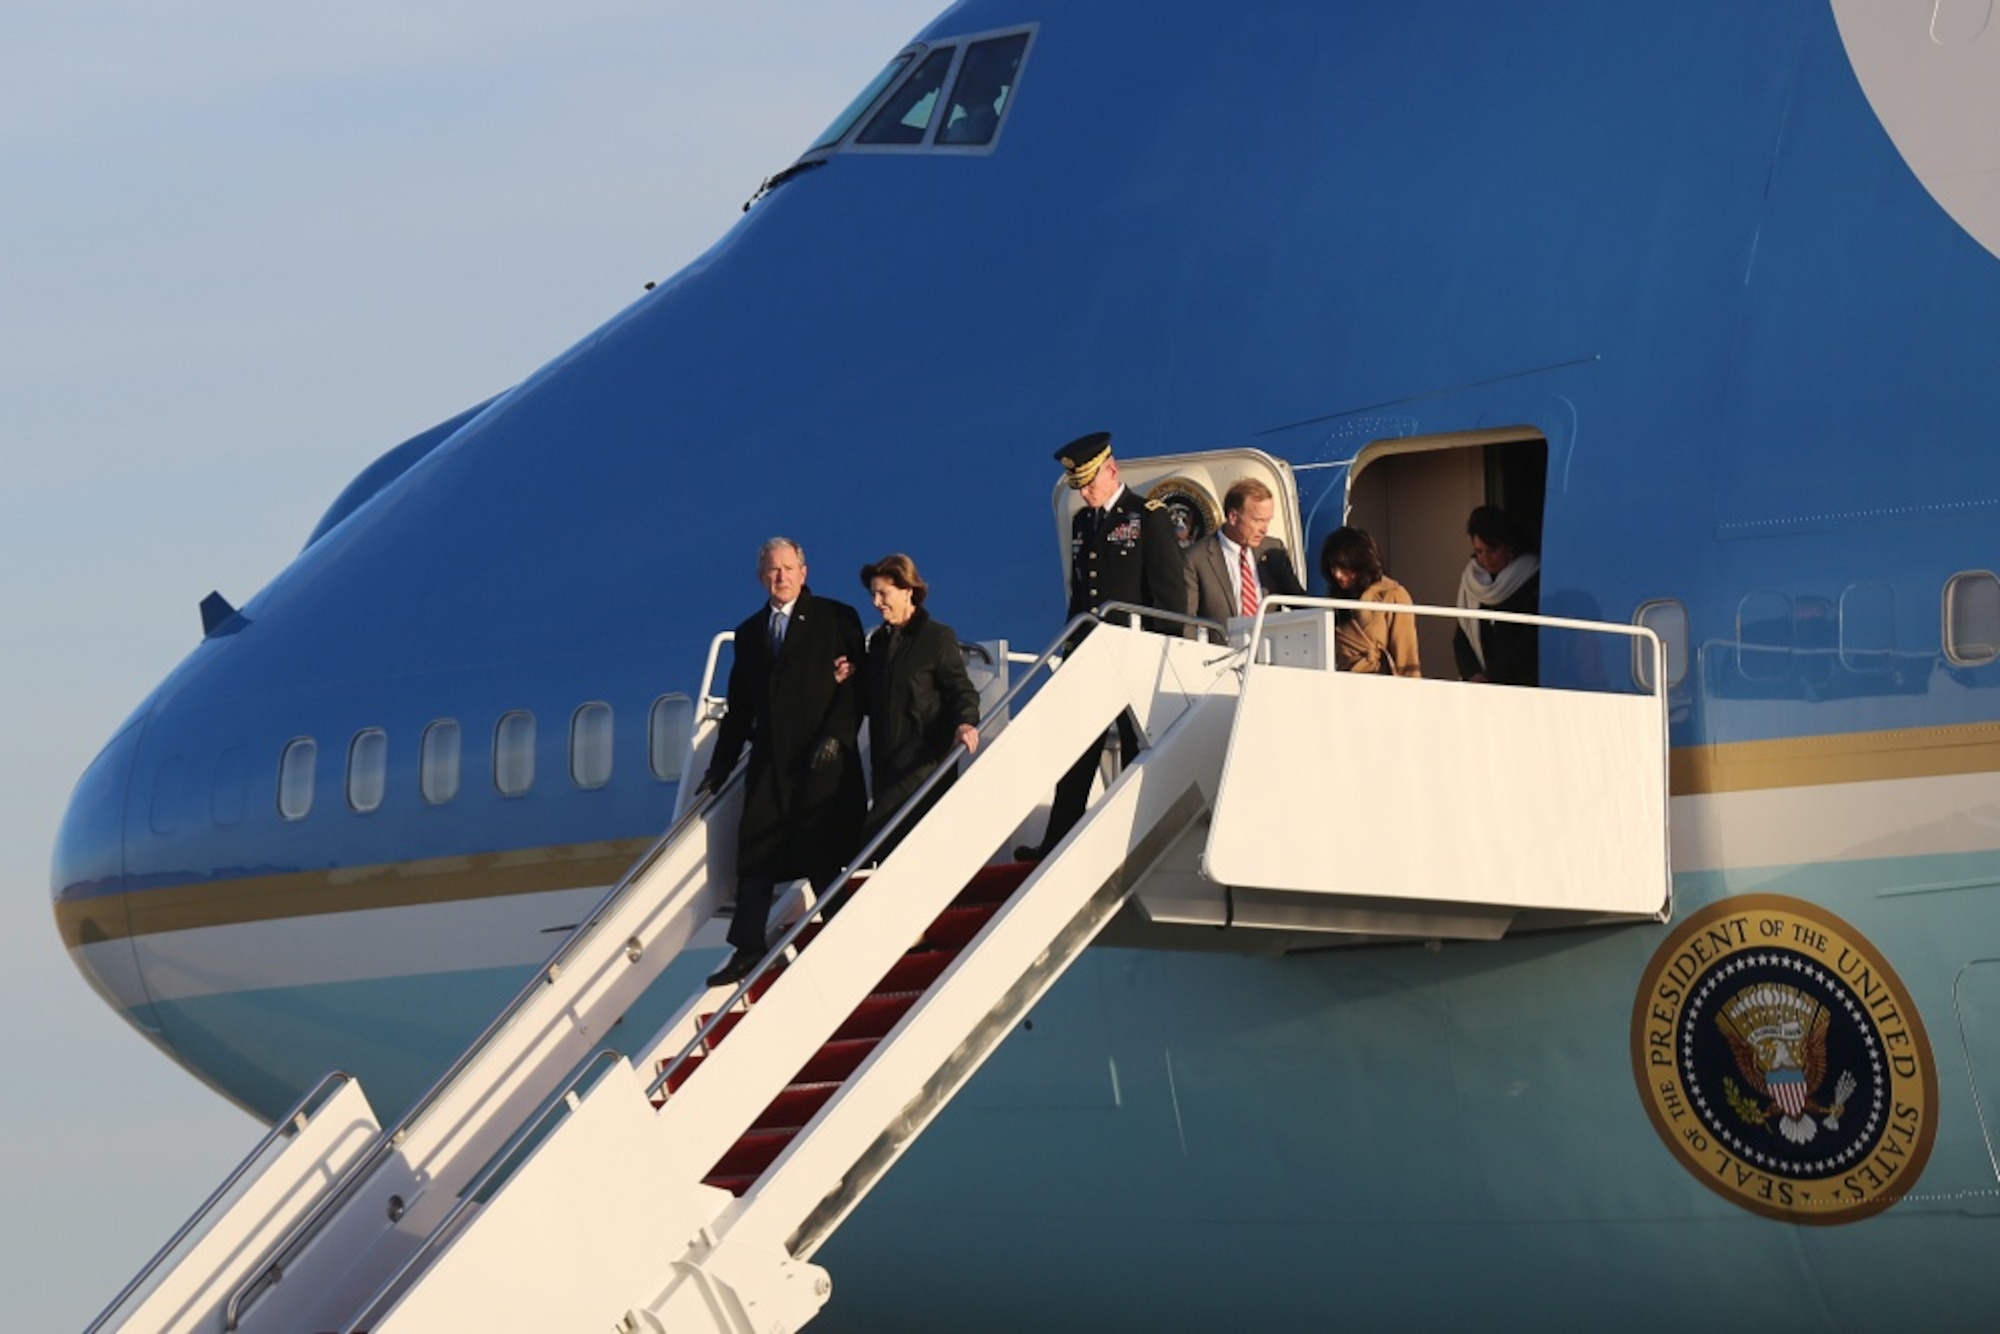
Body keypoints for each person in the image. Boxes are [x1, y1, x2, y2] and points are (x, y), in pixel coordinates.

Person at [697, 537, 867, 987]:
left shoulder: (835, 618)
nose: (781, 576)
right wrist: (719, 766)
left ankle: (845, 929)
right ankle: (748, 947)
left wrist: (836, 738)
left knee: (822, 852)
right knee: (754, 851)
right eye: (773, 570)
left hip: (820, 759)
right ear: (761, 577)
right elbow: (739, 710)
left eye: (789, 568)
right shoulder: (750, 633)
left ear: (804, 572)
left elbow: (857, 688)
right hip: (772, 759)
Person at [1015, 430, 1183, 862]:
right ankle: (1056, 838)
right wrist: (1072, 648)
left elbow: (1169, 596)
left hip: (1135, 654)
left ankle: (1127, 834)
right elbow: (1080, 594)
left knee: (1133, 746)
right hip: (1093, 653)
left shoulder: (1148, 515)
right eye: (1079, 487)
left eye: (1090, 483)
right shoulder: (1083, 522)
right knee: (1077, 744)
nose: (1086, 493)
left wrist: (1166, 656)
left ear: (1112, 470)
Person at [854, 553, 982, 856]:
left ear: (908, 591)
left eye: (883, 593)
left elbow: (959, 688)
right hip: (886, 764)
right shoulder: (879, 644)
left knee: (875, 840)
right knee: (896, 850)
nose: (876, 602)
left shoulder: (936, 637)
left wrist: (965, 721)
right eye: (873, 594)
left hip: (924, 763)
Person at [1183, 476, 1305, 633]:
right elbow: (1187, 622)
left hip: (1269, 650)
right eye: (1257, 520)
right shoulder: (1196, 558)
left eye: (1267, 521)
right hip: (1222, 653)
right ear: (1233, 517)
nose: (1264, 529)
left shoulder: (1273, 550)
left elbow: (1299, 602)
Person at [1452, 505, 1541, 686]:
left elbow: (1530, 640)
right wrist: (1473, 674)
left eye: (1492, 550)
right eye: (1479, 552)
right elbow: (1462, 635)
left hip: (1522, 683)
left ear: (1509, 546)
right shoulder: (1471, 581)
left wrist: (1492, 675)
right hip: (1482, 685)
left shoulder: (1531, 577)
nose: (1486, 559)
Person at [1320, 526, 1421, 677]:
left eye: (1344, 567)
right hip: (1345, 686)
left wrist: (1411, 695)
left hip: (1384, 685)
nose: (1337, 574)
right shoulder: (1335, 602)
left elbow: (1406, 655)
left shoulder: (1393, 596)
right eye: (1333, 568)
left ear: (1360, 563)